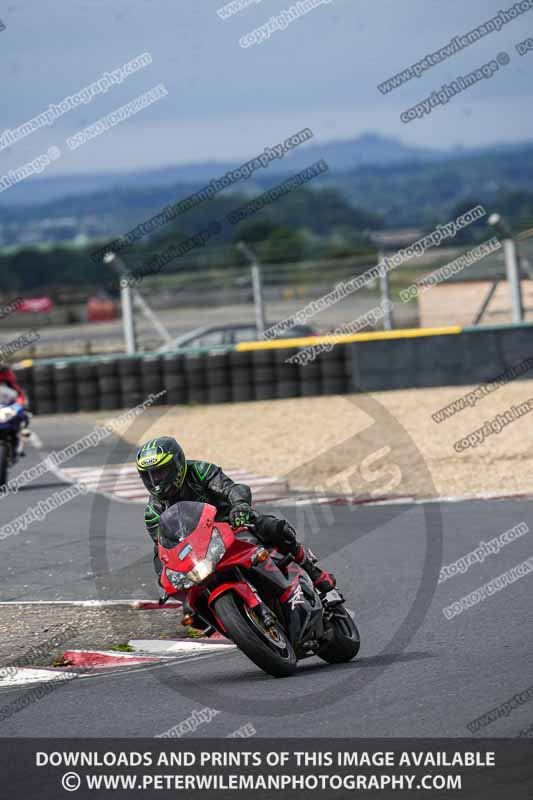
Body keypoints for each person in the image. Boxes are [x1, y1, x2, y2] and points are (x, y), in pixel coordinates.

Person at [136, 436, 336, 597]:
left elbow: (232, 489)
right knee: (189, 604)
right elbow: (162, 548)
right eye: (149, 476)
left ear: (177, 466)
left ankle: (313, 571)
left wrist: (239, 506)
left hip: (232, 523)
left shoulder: (199, 471)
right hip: (201, 551)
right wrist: (163, 578)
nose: (156, 482)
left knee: (273, 528)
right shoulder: (153, 513)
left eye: (161, 473)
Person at [0, 361, 30, 455]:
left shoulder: (7, 372)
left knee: (23, 415)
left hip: (7, 402)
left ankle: (21, 438)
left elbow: (15, 390)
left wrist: (21, 403)